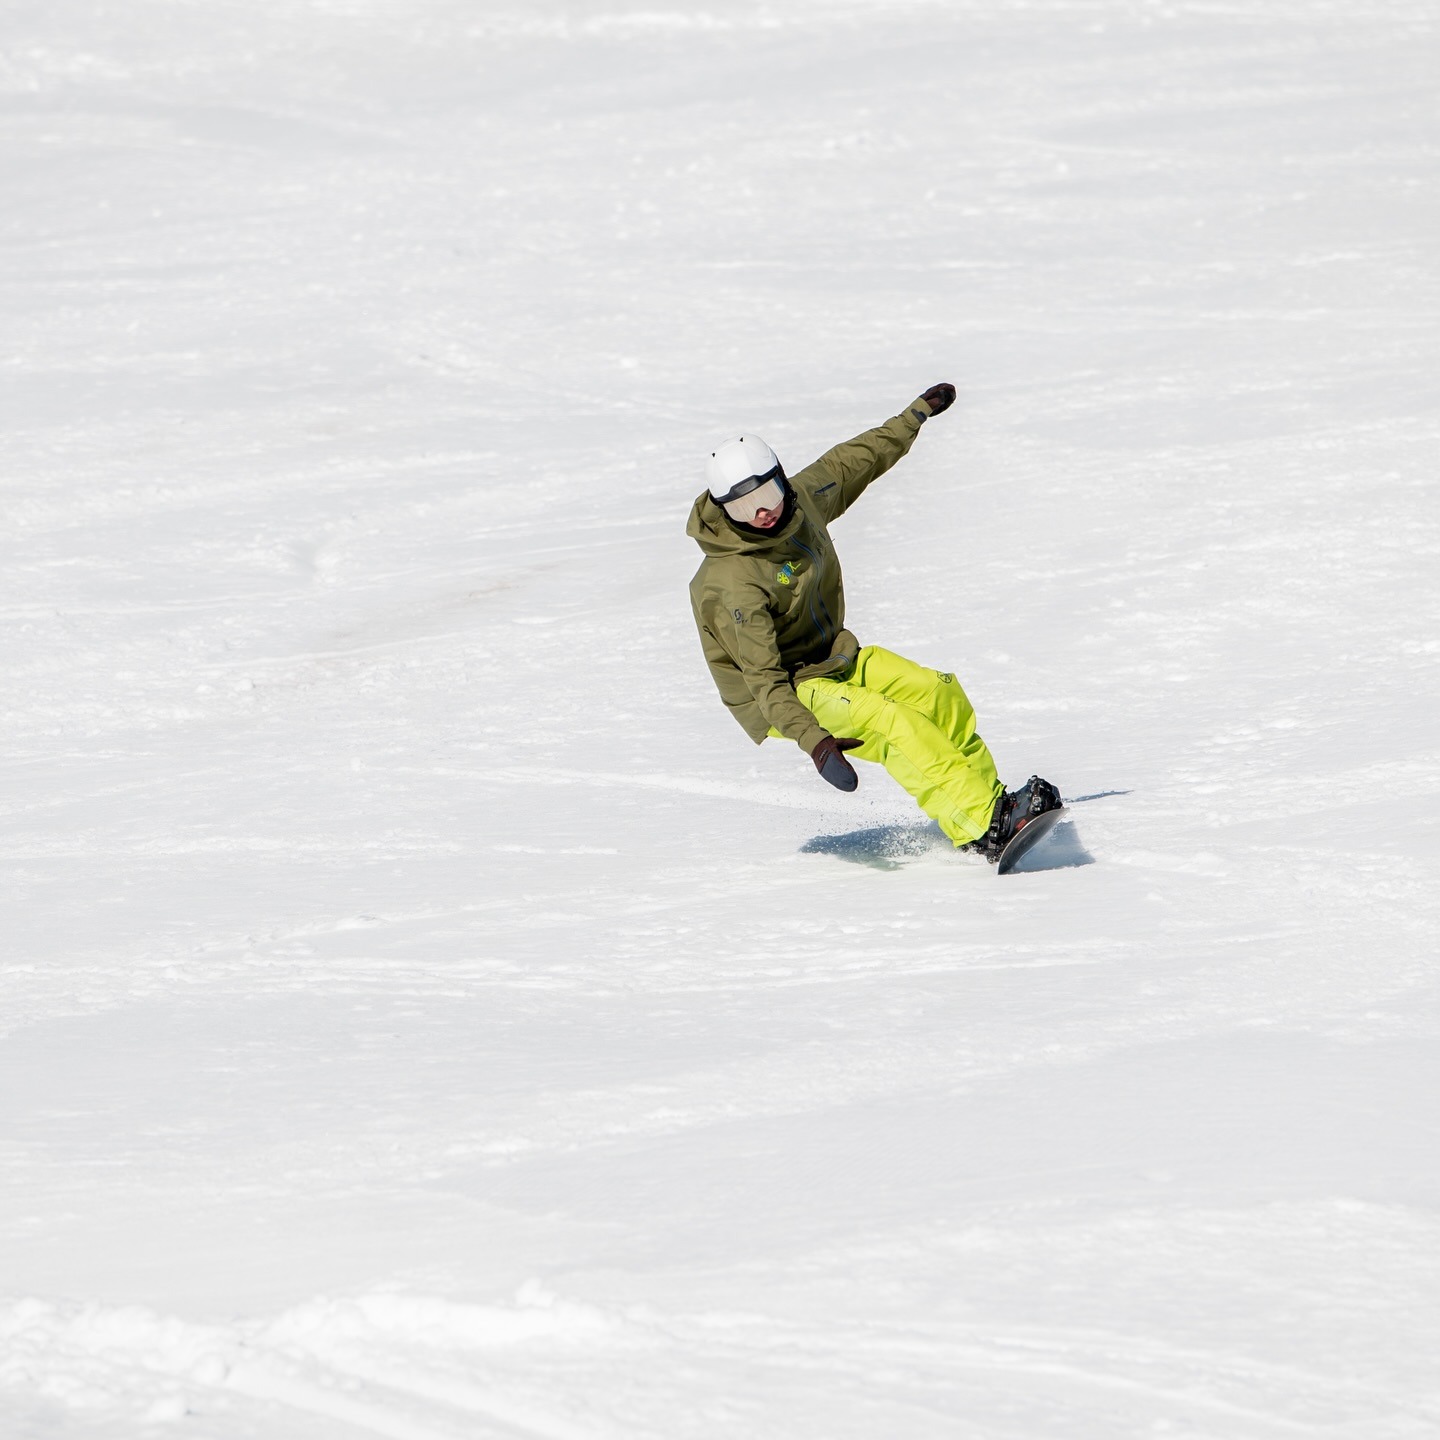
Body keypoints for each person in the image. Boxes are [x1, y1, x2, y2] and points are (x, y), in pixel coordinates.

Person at [685, 384, 1060, 863]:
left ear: (781, 479)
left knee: (938, 691)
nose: (762, 511)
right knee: (893, 722)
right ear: (724, 509)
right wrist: (816, 744)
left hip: (831, 657)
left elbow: (853, 461)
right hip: (784, 692)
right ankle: (981, 821)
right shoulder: (732, 584)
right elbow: (764, 681)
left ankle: (989, 807)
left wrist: (915, 416)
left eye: (767, 492)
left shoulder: (800, 504)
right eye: (742, 507)